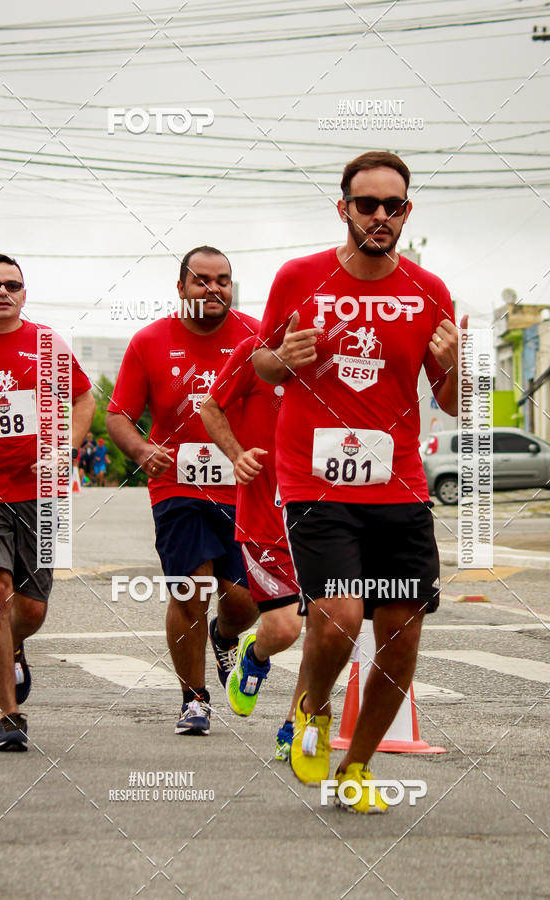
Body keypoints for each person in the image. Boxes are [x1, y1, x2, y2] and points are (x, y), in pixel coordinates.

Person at [254, 151, 467, 812]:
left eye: (392, 206)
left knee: (401, 640)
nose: (379, 216)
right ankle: (311, 713)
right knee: (340, 617)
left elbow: (455, 402)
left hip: (398, 484)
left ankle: (356, 766)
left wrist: (456, 363)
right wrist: (281, 359)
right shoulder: (299, 277)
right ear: (343, 208)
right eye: (367, 204)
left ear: (406, 213)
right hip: (317, 478)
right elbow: (261, 364)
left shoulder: (429, 291)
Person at [106, 246, 260, 736]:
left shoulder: (257, 334)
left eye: (223, 280)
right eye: (202, 280)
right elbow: (118, 416)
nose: (213, 288)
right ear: (181, 288)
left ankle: (225, 633)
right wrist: (142, 450)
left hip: (246, 485)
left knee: (245, 599)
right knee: (190, 587)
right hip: (179, 484)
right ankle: (194, 699)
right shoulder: (149, 341)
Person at [0, 254, 95, 751]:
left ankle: (15, 643)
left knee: (33, 609)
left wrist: (68, 448)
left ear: (25, 293)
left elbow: (83, 398)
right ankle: (9, 715)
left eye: (13, 285)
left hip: (41, 492)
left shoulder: (47, 344)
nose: (3, 292)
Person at [201, 335, 305, 761]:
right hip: (265, 516)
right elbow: (210, 406)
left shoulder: (348, 349)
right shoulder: (258, 348)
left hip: (331, 515)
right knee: (284, 629)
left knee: (330, 629)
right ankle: (254, 654)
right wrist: (237, 454)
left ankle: (297, 726)